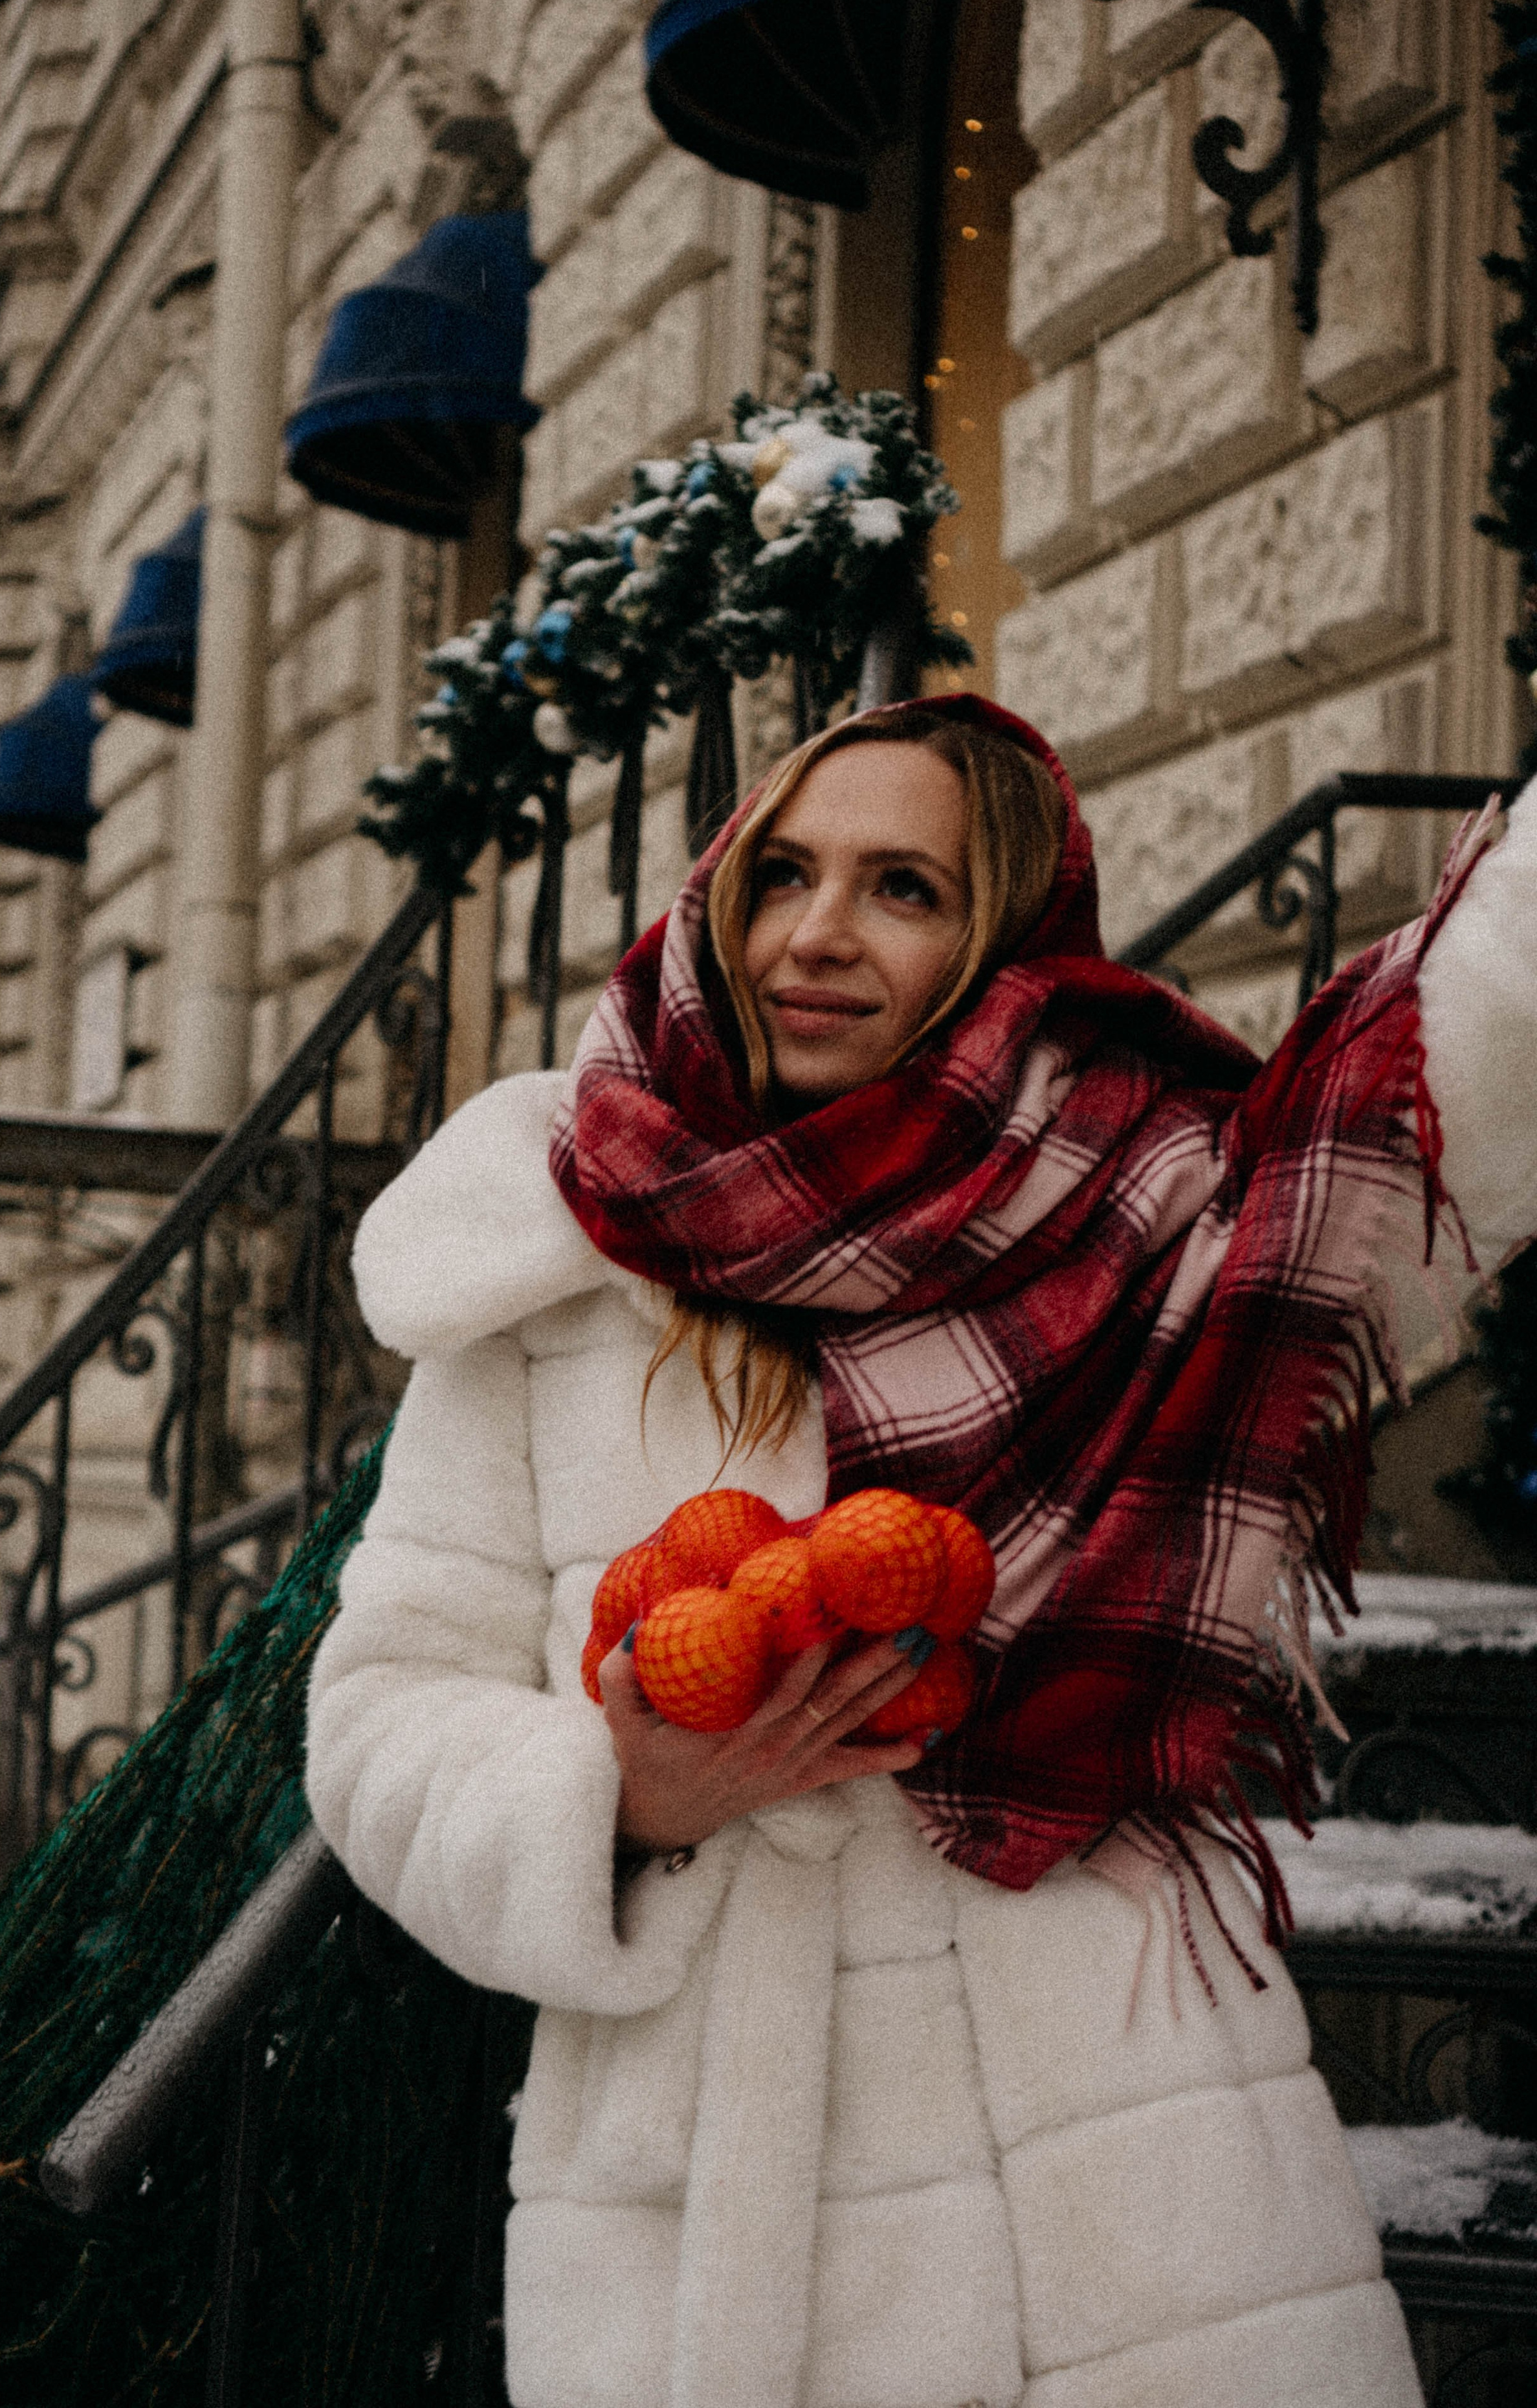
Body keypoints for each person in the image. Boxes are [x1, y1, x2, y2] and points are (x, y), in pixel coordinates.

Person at [307, 692, 1537, 2408]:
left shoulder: (1158, 1210)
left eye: (904, 888)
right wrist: (624, 1795)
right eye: (783, 875)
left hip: (1131, 2194)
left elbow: (1463, 1071)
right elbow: (382, 1715)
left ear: (1004, 941)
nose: (817, 934)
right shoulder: (559, 1270)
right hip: (729, 2224)